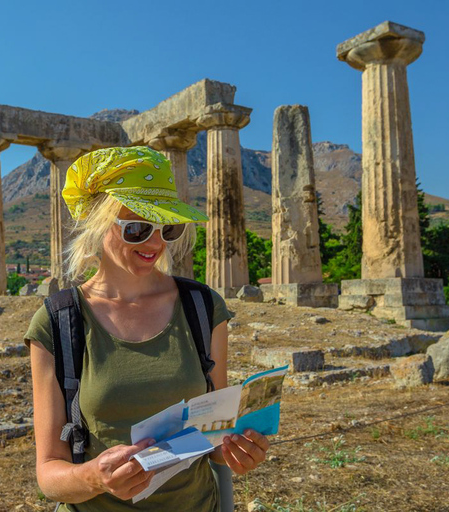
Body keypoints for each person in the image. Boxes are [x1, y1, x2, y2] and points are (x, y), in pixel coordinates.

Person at [25, 146, 270, 511]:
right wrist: (94, 476)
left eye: (167, 227)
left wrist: (237, 450)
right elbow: (49, 475)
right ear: (97, 223)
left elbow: (215, 439)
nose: (155, 244)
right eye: (137, 228)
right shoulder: (58, 321)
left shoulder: (203, 308)